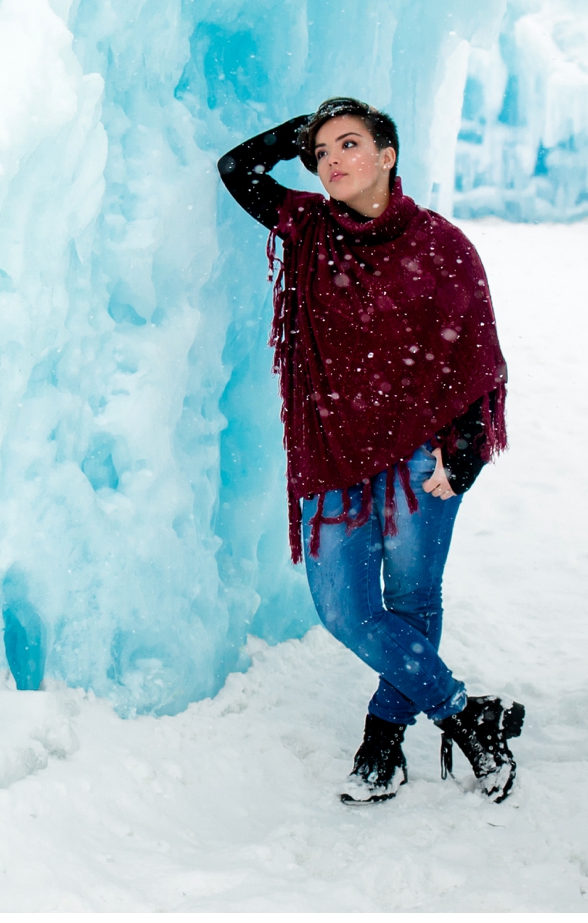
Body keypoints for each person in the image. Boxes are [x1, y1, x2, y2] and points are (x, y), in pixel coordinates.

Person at [219, 98, 525, 805]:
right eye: (321, 151)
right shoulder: (306, 228)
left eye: (349, 144)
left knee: (413, 598)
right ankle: (465, 712)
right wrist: (297, 131)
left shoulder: (444, 246)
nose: (332, 160)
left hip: (423, 456)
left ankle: (382, 743)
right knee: (345, 609)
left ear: (388, 155)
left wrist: (469, 452)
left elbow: (478, 356)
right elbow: (237, 170)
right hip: (332, 449)